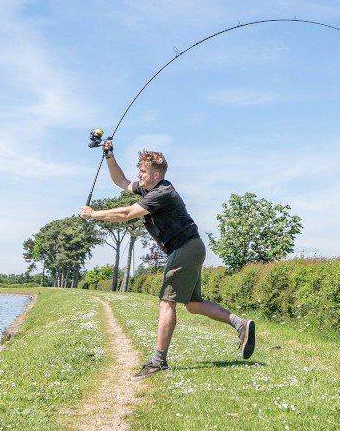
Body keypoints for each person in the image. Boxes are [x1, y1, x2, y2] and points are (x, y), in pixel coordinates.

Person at [80, 141, 255, 379]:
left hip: (185, 248)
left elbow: (127, 214)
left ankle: (158, 361)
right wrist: (109, 155)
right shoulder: (149, 189)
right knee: (193, 305)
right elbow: (120, 181)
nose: (138, 174)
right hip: (190, 248)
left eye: (142, 171)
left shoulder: (162, 193)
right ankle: (239, 324)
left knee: (166, 302)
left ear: (155, 174)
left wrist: (93, 214)